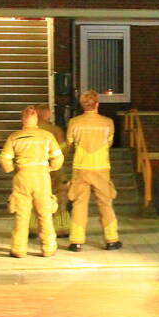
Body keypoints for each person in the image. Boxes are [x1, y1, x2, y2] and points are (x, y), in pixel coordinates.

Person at [0, 106, 64, 258]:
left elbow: (4, 158)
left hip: (22, 177)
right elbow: (58, 157)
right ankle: (48, 248)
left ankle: (18, 249)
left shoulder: (14, 137)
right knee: (45, 214)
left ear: (23, 120)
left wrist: (12, 168)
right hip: (41, 177)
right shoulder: (46, 135)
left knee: (22, 215)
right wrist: (51, 167)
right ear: (36, 119)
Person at [66, 90, 121, 251]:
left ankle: (76, 241)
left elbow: (70, 143)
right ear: (97, 104)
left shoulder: (74, 122)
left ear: (82, 104)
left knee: (79, 204)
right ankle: (111, 239)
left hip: (80, 168)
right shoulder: (107, 122)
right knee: (105, 203)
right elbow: (109, 142)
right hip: (101, 168)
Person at [35, 103, 70, 237]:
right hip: (54, 170)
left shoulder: (26, 132)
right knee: (60, 198)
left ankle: (32, 228)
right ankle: (61, 228)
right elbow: (62, 151)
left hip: (34, 170)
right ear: (46, 113)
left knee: (35, 200)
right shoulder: (55, 131)